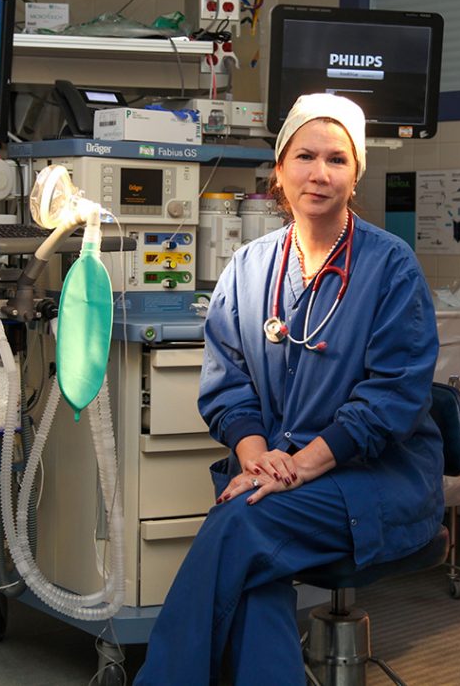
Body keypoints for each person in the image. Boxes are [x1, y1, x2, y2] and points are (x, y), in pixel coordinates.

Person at [136, 93, 443, 685]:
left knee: (243, 524)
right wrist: (255, 459)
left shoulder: (391, 267)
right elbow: (227, 386)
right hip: (274, 475)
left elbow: (392, 400)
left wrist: (297, 467)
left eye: (337, 160)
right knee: (255, 571)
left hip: (373, 480)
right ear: (280, 169)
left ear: (356, 176)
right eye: (305, 156)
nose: (319, 174)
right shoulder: (249, 267)